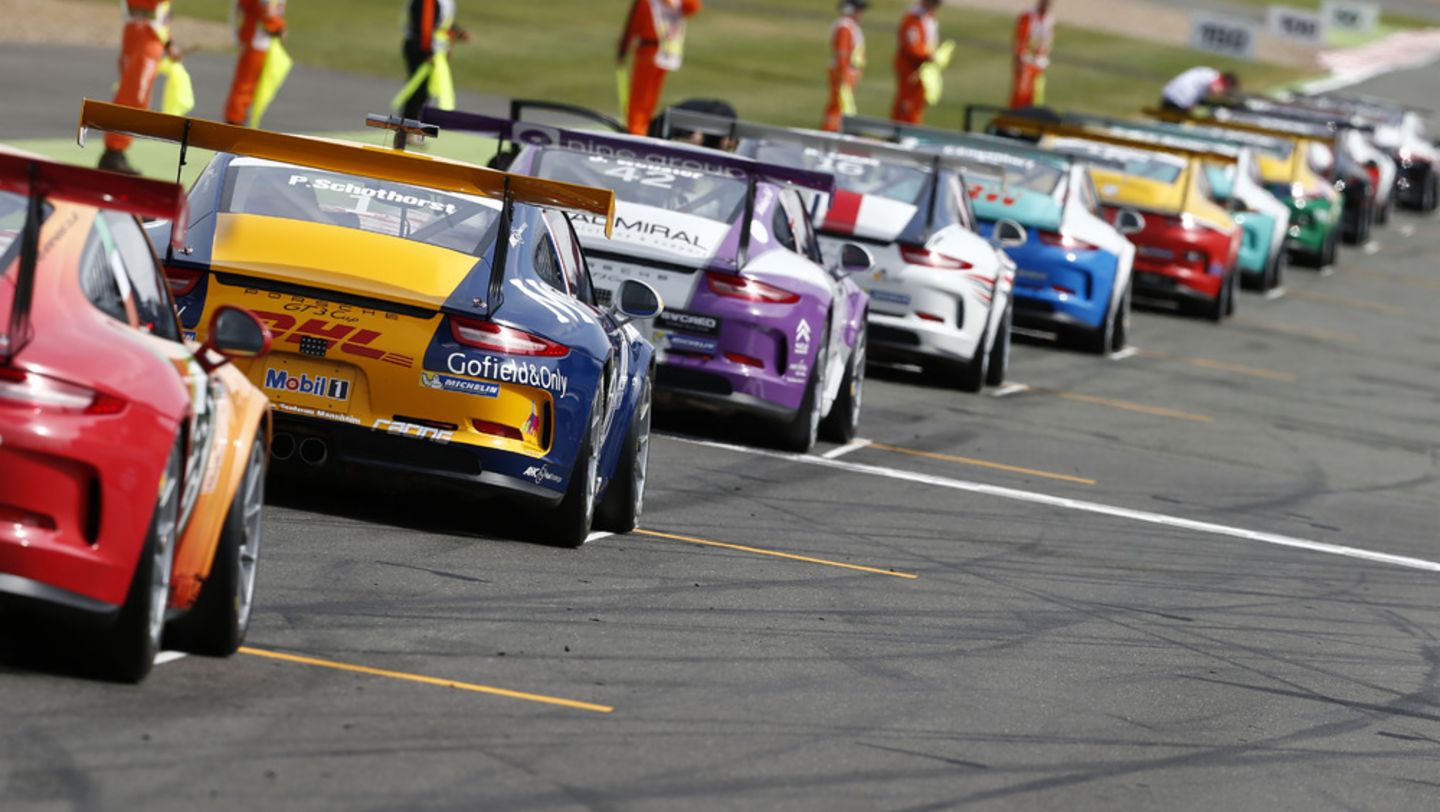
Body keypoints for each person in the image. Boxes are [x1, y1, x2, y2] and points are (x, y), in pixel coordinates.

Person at [100, 1, 183, 174]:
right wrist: (168, 42)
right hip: (145, 38)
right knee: (133, 97)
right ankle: (114, 152)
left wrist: (167, 41)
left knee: (133, 97)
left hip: (144, 36)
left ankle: (116, 151)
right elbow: (149, 13)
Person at [618, 0, 703, 136]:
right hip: (660, 49)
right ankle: (639, 128)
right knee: (646, 95)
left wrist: (623, 47)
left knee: (644, 96)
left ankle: (637, 129)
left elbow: (633, 23)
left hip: (655, 51)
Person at [400, 0, 470, 123]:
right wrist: (428, 52)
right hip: (422, 48)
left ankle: (412, 125)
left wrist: (456, 32)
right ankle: (407, 128)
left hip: (433, 48)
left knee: (425, 91)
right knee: (419, 90)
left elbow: (441, 21)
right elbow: (424, 25)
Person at [224, 0, 287, 126]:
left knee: (252, 83)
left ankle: (239, 116)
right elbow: (267, 12)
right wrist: (279, 27)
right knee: (246, 82)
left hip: (262, 41)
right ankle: (235, 118)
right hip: (257, 41)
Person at [891, 0, 941, 125]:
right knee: (908, 101)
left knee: (917, 101)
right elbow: (911, 45)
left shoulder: (927, 17)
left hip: (921, 68)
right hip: (910, 66)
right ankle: (902, 130)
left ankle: (909, 128)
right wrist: (927, 56)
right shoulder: (913, 19)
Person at [822, 1, 867, 132]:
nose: (861, 14)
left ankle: (835, 130)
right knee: (838, 105)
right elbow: (843, 52)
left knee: (841, 104)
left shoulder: (849, 26)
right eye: (858, 10)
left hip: (845, 72)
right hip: (842, 72)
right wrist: (844, 73)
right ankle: (830, 132)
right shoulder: (844, 27)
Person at [1010, 0, 1054, 109]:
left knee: (1037, 94)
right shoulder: (1028, 17)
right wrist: (1019, 58)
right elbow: (1020, 38)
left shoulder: (1049, 19)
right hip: (1026, 61)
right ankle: (1016, 118)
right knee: (1021, 95)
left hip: (1039, 63)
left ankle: (1031, 119)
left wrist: (1045, 55)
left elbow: (1048, 39)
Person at [1161, 67, 1239, 112]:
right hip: (1179, 100)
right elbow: (1215, 90)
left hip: (1170, 95)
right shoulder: (1216, 77)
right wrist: (1226, 97)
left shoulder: (1208, 73)